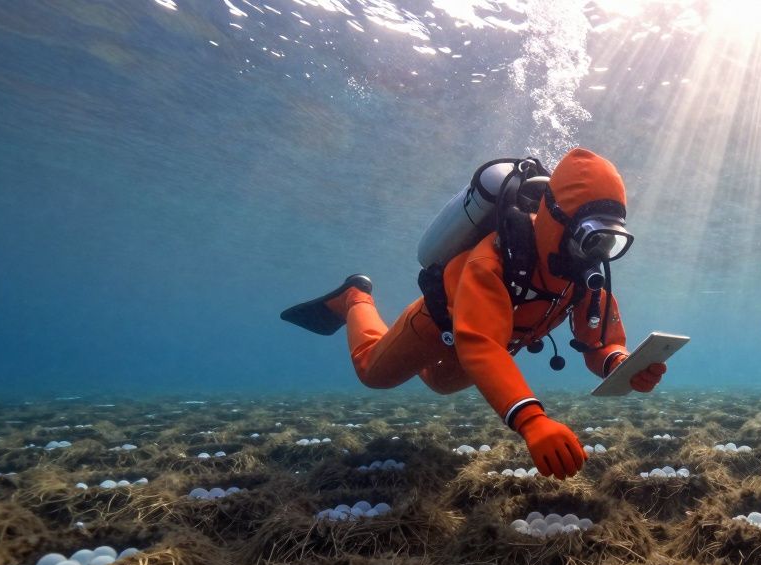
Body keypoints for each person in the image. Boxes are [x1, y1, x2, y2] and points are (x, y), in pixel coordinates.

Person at [281, 148, 666, 479]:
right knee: (372, 373)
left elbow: (597, 342)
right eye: (590, 235)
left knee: (441, 382)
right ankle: (355, 296)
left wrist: (622, 363)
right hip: (439, 327)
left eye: (609, 241)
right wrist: (532, 421)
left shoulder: (584, 275)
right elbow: (480, 344)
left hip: (489, 345)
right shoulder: (494, 258)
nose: (595, 252)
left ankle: (402, 347)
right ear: (558, 220)